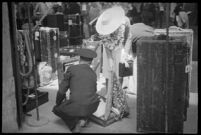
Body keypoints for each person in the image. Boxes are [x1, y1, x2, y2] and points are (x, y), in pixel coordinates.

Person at [52, 48, 100, 133]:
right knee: (83, 103)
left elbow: (62, 91)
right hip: (93, 105)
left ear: (79, 58)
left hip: (78, 105)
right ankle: (84, 118)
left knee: (57, 109)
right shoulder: (93, 73)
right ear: (91, 61)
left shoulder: (72, 69)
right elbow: (94, 91)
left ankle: (74, 126)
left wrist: (58, 103)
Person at [95, 6, 130, 119]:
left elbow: (129, 36)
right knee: (108, 71)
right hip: (108, 49)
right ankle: (109, 96)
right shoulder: (103, 24)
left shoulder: (125, 20)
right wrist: (109, 58)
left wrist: (125, 53)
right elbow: (105, 42)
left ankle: (118, 99)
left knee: (118, 73)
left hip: (120, 48)